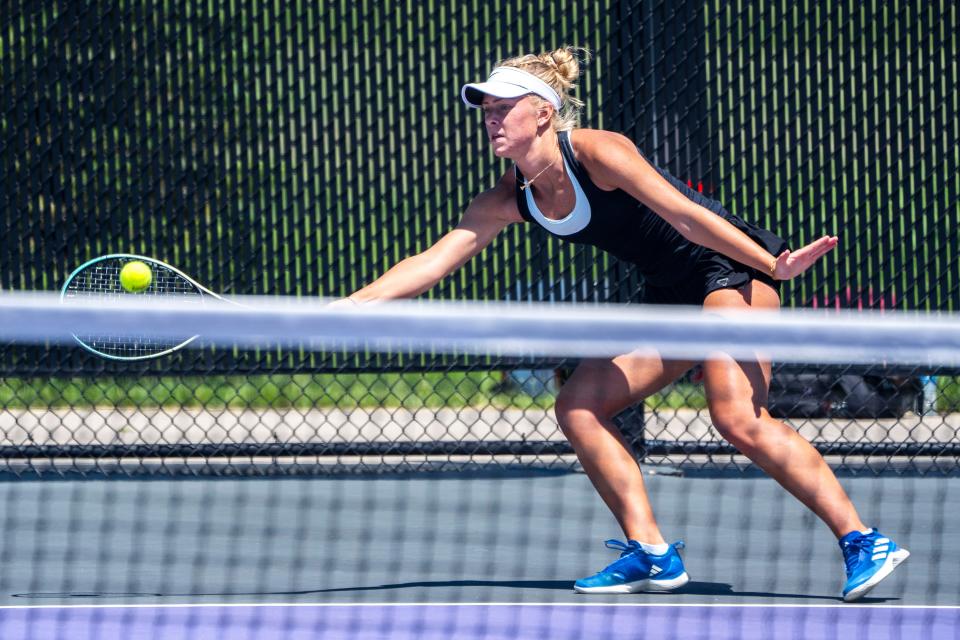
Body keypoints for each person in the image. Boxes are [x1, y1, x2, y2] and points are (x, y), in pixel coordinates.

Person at [345, 46, 908, 601]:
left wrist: (770, 264)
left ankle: (863, 540)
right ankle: (652, 552)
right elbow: (430, 262)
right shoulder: (506, 198)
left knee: (738, 418)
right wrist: (345, 310)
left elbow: (688, 216)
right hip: (670, 296)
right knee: (579, 404)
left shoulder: (599, 152)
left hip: (729, 273)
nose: (490, 119)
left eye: (503, 108)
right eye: (486, 110)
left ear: (542, 112)